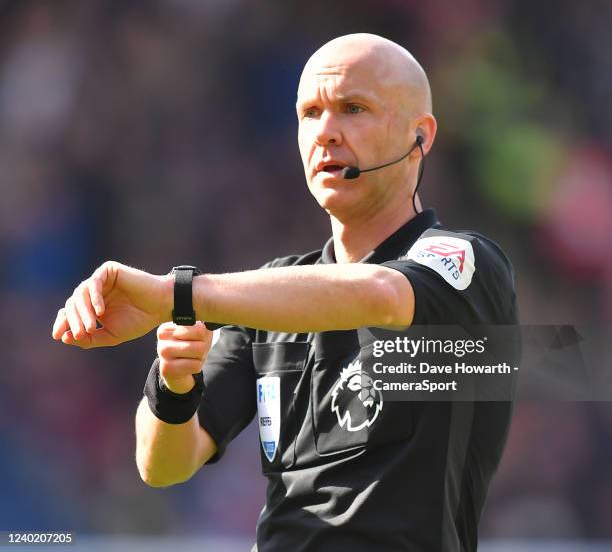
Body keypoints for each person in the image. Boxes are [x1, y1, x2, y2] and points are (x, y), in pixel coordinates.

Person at [52, 33, 518, 551]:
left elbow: (382, 294)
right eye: (310, 113)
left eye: (353, 109)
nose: (326, 133)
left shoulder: (466, 262)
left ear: (420, 136)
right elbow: (161, 464)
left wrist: (177, 293)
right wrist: (175, 383)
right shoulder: (270, 293)